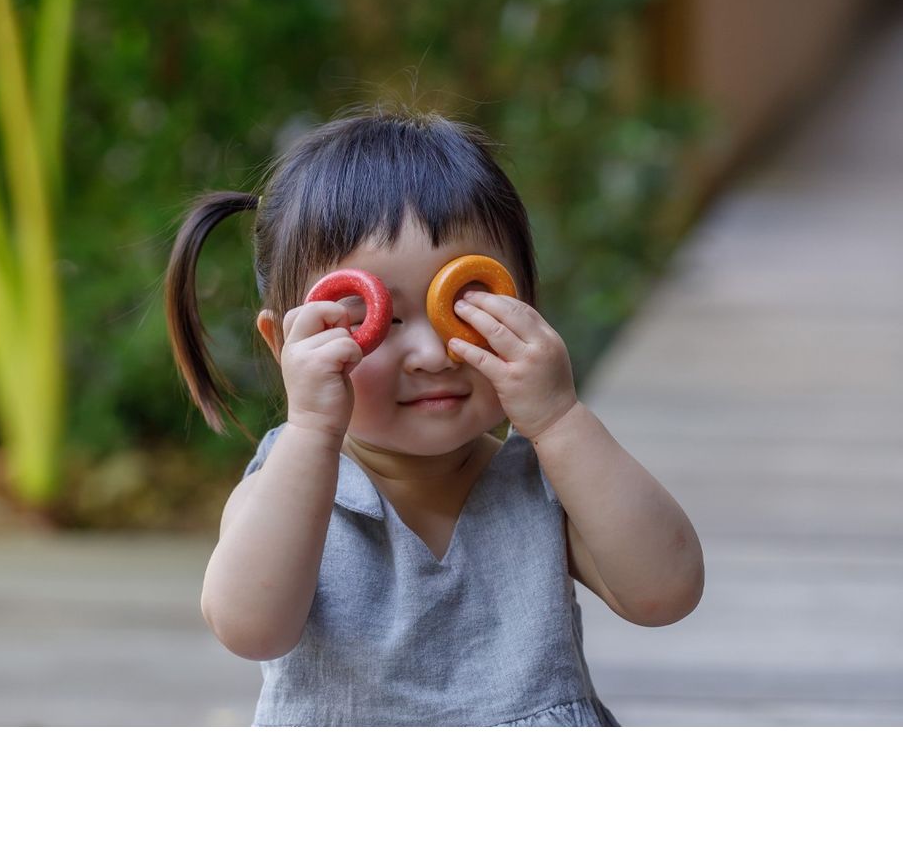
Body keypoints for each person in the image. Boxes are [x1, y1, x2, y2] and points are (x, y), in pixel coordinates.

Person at [164, 103, 704, 726]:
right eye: (379, 320)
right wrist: (311, 429)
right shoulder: (285, 490)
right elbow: (248, 627)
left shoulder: (547, 482)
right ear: (287, 347)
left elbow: (666, 591)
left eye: (466, 304)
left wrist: (558, 419)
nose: (429, 353)